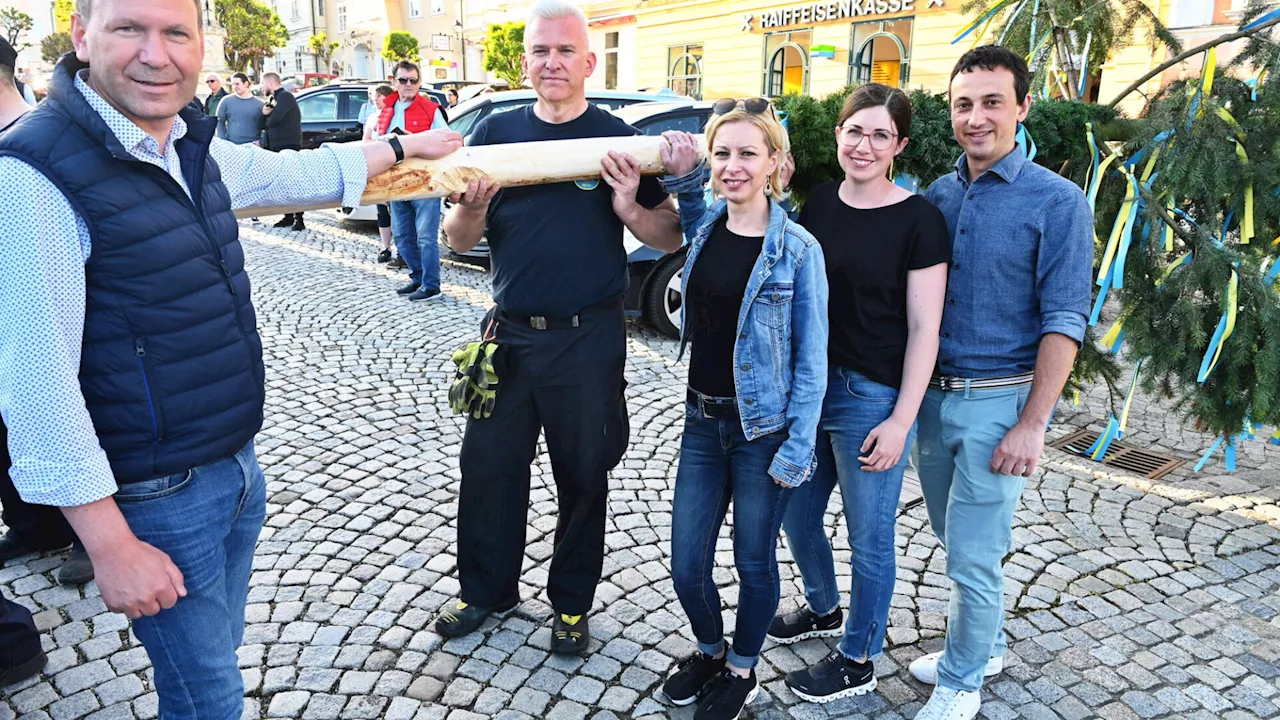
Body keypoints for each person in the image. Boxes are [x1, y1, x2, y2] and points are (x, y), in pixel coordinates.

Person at [0, 0, 461, 716]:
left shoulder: (186, 142)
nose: (157, 53)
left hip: (234, 466)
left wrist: (400, 150)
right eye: (130, 28)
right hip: (158, 494)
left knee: (214, 658)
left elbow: (293, 174)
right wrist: (110, 544)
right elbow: (36, 386)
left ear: (201, 45)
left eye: (176, 32)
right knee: (207, 694)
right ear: (81, 35)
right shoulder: (32, 174)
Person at [434, 0, 682, 654]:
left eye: (565, 51)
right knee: (488, 470)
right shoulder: (496, 134)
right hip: (509, 335)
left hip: (588, 338)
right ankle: (486, 590)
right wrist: (469, 210)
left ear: (587, 61)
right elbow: (456, 237)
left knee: (583, 474)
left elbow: (669, 231)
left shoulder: (615, 138)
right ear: (525, 62)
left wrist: (630, 204)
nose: (552, 62)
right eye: (541, 51)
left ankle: (571, 604)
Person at [908, 46, 1093, 720]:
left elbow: (1066, 317)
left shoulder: (1058, 201)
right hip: (932, 402)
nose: (976, 117)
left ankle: (962, 681)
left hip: (998, 405)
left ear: (1022, 106)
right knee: (952, 537)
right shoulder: (938, 195)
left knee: (974, 556)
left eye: (992, 102)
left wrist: (1032, 423)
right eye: (964, 104)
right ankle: (985, 644)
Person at [765, 84, 949, 704]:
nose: (863, 145)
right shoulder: (817, 202)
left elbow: (926, 328)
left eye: (879, 135)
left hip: (871, 397)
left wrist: (902, 419)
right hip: (809, 394)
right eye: (853, 131)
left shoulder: (919, 219)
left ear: (898, 144)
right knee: (794, 513)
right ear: (838, 135)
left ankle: (860, 655)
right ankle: (822, 607)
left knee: (870, 536)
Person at [655, 101, 828, 720]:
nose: (732, 166)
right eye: (722, 153)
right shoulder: (705, 229)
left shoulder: (799, 250)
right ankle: (708, 648)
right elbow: (685, 196)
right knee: (685, 564)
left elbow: (813, 357)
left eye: (747, 153)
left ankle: (742, 668)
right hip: (701, 423)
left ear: (775, 164)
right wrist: (676, 167)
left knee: (754, 561)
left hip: (764, 430)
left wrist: (800, 443)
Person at [0, 36, 94, 587]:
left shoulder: (37, 144)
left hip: (52, 327)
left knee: (57, 404)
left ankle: (84, 530)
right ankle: (34, 522)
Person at [378, 60, 449, 301]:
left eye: (414, 80)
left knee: (426, 237)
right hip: (397, 181)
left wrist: (415, 141)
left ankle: (431, 286)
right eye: (403, 80)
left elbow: (447, 140)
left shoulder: (431, 109)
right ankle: (418, 277)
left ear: (419, 82)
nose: (409, 85)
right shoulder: (387, 109)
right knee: (401, 236)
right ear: (393, 81)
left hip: (425, 181)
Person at [261, 71, 305, 231]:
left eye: (263, 83)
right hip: (275, 145)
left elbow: (274, 120)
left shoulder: (285, 97)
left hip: (288, 144)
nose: (262, 87)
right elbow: (265, 121)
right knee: (282, 182)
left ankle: (299, 218)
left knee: (293, 181)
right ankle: (287, 215)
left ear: (270, 83)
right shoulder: (273, 99)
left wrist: (267, 115)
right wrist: (265, 114)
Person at [363, 84, 397, 263]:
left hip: (396, 166)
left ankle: (402, 248)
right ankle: (385, 247)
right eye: (374, 96)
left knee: (399, 210)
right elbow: (366, 140)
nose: (376, 99)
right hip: (379, 166)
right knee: (382, 210)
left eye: (380, 95)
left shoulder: (396, 114)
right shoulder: (372, 117)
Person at [215, 71, 262, 144]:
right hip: (232, 145)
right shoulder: (226, 101)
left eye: (237, 84)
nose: (234, 87)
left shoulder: (259, 104)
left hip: (254, 146)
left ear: (246, 84)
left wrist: (261, 142)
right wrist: (223, 140)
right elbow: (219, 121)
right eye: (233, 84)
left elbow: (266, 126)